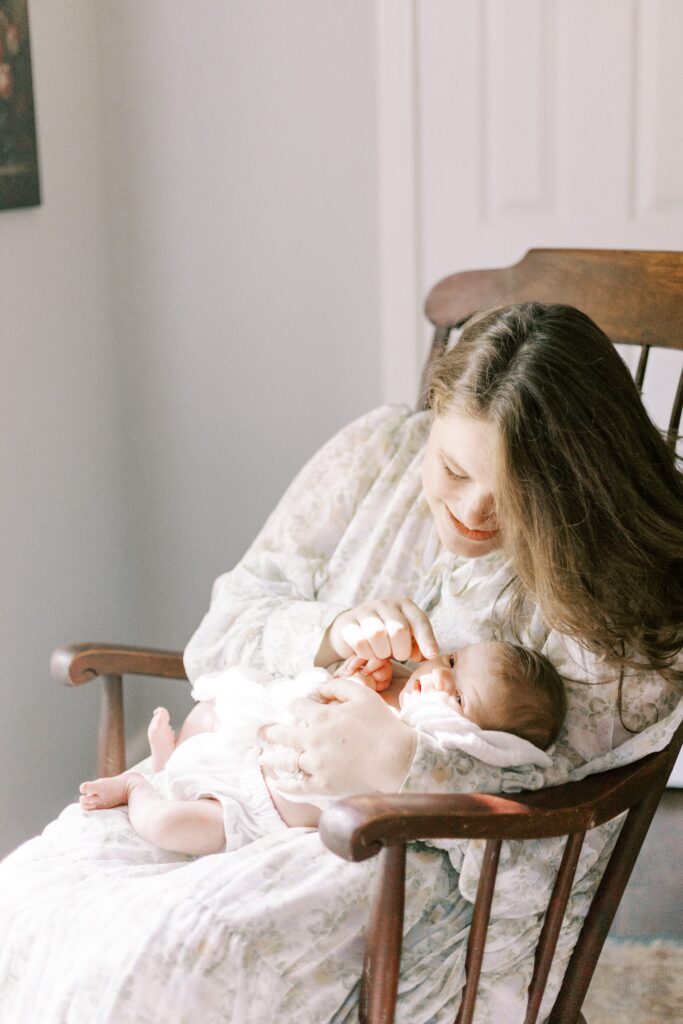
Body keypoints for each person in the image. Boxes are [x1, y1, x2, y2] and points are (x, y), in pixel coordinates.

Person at [1, 301, 681, 1024]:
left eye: (515, 494)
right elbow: (222, 634)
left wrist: (402, 764)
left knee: (170, 954)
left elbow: (548, 860)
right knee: (24, 898)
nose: (475, 513)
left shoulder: (621, 603)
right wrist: (332, 630)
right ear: (433, 414)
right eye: (452, 468)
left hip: (386, 865)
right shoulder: (375, 453)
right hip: (234, 775)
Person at [77, 642, 566, 855]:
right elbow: (310, 709)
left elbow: (478, 771)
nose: (438, 674)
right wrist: (350, 680)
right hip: (254, 755)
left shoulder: (434, 748)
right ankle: (168, 764)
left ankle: (140, 785)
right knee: (208, 714)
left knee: (168, 824)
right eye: (454, 660)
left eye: (458, 696)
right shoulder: (400, 690)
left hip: (253, 810)